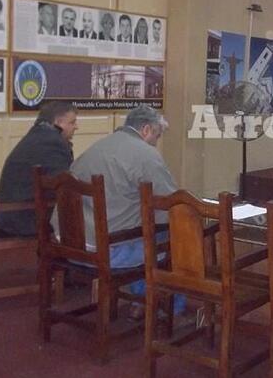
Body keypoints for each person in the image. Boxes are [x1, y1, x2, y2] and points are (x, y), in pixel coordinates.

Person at [52, 105, 183, 317]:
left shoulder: (96, 148)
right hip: (107, 253)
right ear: (146, 130)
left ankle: (141, 302)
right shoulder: (145, 154)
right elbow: (170, 203)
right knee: (173, 235)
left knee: (142, 229)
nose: (155, 143)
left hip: (69, 247)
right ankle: (166, 309)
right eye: (156, 136)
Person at [0, 102, 77, 237]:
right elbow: (65, 184)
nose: (76, 127)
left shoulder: (36, 135)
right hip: (27, 220)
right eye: (72, 122)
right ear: (59, 122)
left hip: (10, 217)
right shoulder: (54, 142)